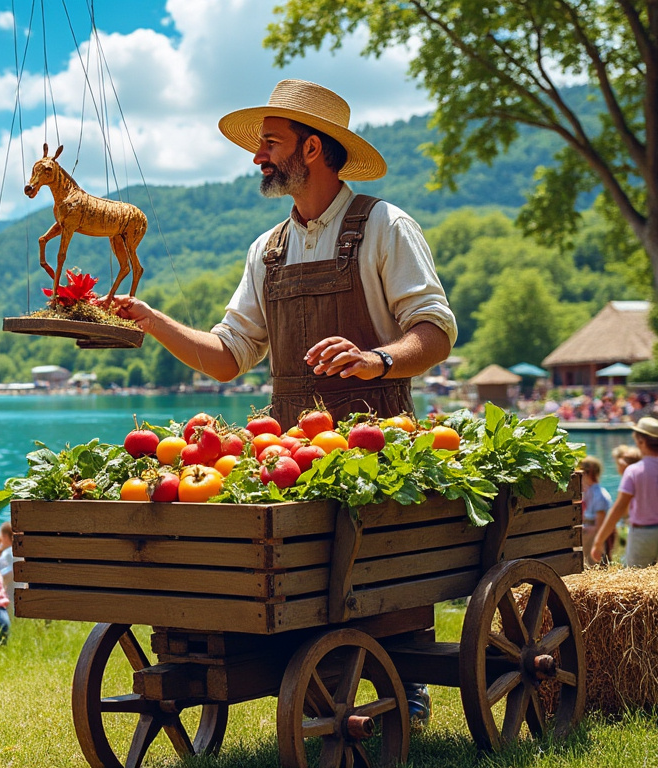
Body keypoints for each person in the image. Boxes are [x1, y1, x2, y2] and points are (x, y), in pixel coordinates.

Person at [113, 80, 455, 731]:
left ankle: (400, 675)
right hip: (286, 454)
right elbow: (227, 353)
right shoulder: (266, 250)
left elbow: (434, 331)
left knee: (368, 575)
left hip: (375, 443)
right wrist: (153, 319)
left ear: (314, 148)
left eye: (269, 143)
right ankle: (313, 674)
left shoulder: (384, 226)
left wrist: (377, 358)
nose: (257, 156)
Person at [592, 417, 658, 567]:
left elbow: (619, 507)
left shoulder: (634, 471)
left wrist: (599, 540)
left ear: (641, 441)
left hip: (642, 535)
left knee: (637, 581)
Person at [578, 457, 614, 566]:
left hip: (593, 538)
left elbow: (600, 525)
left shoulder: (600, 495)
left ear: (587, 473)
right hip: (587, 537)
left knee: (596, 566)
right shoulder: (588, 492)